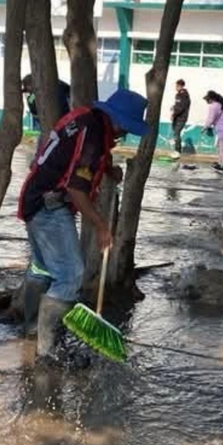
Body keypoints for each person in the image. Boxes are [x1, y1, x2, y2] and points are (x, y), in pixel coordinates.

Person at [17, 88, 146, 364]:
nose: (126, 135)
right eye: (127, 128)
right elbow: (77, 189)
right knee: (71, 274)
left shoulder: (86, 119)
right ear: (118, 121)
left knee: (42, 268)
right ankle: (48, 351)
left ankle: (30, 330)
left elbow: (73, 156)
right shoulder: (94, 136)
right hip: (49, 206)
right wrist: (101, 226)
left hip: (33, 198)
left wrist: (108, 169)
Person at [170, 79, 191, 159]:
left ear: (179, 86)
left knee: (176, 133)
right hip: (179, 117)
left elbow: (180, 108)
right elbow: (179, 105)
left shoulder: (182, 95)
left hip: (180, 118)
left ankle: (177, 152)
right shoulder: (182, 95)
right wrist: (174, 107)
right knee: (176, 134)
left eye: (176, 86)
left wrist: (173, 114)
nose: (175, 87)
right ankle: (176, 151)